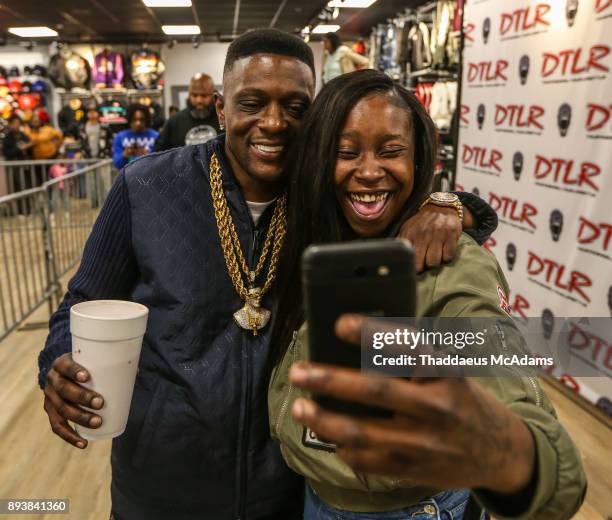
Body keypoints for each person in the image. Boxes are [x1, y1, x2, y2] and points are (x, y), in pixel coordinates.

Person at [38, 30, 497, 520]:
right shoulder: (146, 186)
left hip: (284, 487)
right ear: (220, 107)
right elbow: (81, 302)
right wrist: (57, 362)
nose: (274, 123)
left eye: (295, 107)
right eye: (252, 103)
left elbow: (387, 189)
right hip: (161, 484)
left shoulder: (329, 199)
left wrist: (449, 204)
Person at [268, 70, 587, 520]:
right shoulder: (315, 241)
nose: (370, 170)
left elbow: (511, 383)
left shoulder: (452, 265)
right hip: (316, 498)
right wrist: (458, 204)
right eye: (346, 152)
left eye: (391, 151)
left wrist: (512, 455)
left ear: (418, 161)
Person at [154, 73, 220, 150]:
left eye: (204, 95)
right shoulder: (174, 121)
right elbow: (160, 151)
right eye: (194, 95)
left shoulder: (223, 119)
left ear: (213, 95)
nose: (199, 100)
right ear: (189, 95)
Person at [112, 103, 159, 170]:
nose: (138, 123)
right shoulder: (120, 137)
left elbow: (162, 163)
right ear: (130, 119)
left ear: (146, 119)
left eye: (141, 119)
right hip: (127, 178)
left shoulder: (156, 136)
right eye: (134, 119)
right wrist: (125, 154)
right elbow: (116, 164)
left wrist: (149, 156)